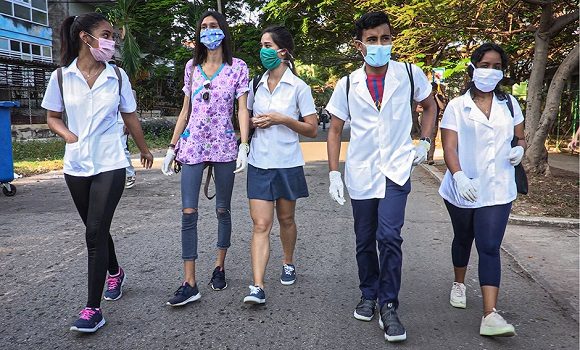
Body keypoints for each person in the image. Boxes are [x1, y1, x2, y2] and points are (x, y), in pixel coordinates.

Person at [326, 11, 436, 343]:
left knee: (389, 237)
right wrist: (333, 172)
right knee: (364, 239)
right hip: (361, 170)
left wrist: (426, 142)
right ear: (360, 46)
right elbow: (333, 130)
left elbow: (430, 106)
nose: (379, 45)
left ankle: (388, 304)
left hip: (396, 168)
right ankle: (368, 294)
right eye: (372, 40)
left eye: (385, 39)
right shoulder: (347, 84)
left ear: (391, 41)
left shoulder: (409, 73)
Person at [41, 12, 153, 333]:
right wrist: (67, 135)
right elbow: (52, 116)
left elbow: (130, 116)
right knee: (97, 228)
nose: (112, 41)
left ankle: (92, 309)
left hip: (110, 162)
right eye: (106, 34)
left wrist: (144, 149)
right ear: (85, 37)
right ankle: (115, 271)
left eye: (112, 36)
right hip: (76, 166)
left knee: (93, 233)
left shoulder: (117, 76)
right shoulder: (61, 77)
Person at [161, 10, 250, 307]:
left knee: (222, 210)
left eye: (213, 26)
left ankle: (219, 265)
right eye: (204, 27)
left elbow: (242, 109)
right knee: (188, 213)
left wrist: (244, 145)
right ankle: (189, 282)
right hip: (193, 145)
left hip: (224, 145)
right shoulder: (192, 67)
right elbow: (186, 109)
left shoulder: (237, 67)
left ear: (223, 30)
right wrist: (172, 146)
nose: (209, 31)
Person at [439, 43, 524, 337]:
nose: (491, 71)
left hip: (499, 187)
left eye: (497, 66)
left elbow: (520, 137)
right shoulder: (455, 106)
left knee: (489, 246)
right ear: (473, 68)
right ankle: (459, 283)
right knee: (463, 239)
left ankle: (490, 314)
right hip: (463, 186)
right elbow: (449, 147)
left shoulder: (511, 104)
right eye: (485, 65)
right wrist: (460, 177)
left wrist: (520, 151)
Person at [242, 25, 318, 305]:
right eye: (261, 45)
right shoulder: (254, 84)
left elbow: (311, 129)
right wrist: (252, 123)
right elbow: (245, 119)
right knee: (261, 224)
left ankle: (288, 261)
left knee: (286, 219)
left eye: (267, 45)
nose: (262, 51)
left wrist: (281, 119)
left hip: (287, 163)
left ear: (282, 51)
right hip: (259, 162)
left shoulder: (299, 87)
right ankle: (257, 286)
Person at [426, 81, 448, 164]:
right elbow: (418, 108)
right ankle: (426, 156)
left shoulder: (438, 97)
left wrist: (436, 97)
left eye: (434, 90)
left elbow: (442, 107)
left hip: (434, 122)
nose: (432, 91)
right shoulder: (426, 97)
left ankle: (430, 158)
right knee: (426, 138)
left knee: (432, 139)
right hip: (425, 121)